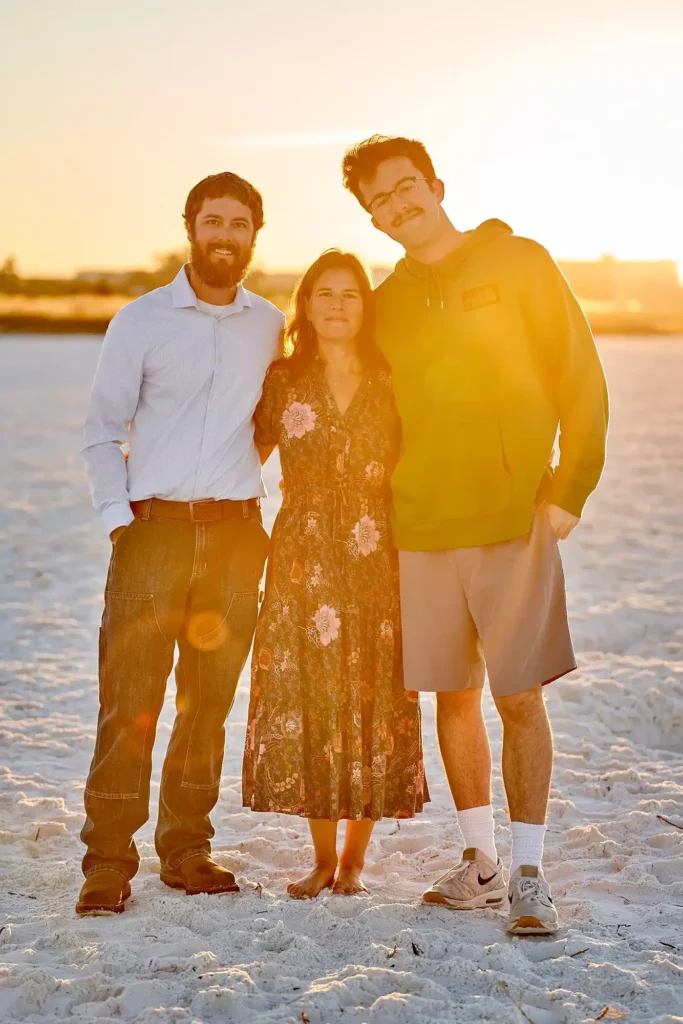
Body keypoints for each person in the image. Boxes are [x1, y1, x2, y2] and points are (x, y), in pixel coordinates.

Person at [342, 136, 609, 934]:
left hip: (508, 519)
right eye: (378, 202)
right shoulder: (384, 303)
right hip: (419, 529)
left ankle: (530, 874)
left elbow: (579, 376)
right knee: (451, 700)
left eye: (404, 189)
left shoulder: (519, 262)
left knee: (517, 697)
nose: (397, 208)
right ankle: (481, 865)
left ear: (434, 184)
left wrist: (570, 491)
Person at [77, 172, 284, 915]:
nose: (224, 235)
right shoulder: (140, 320)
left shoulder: (269, 323)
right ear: (191, 226)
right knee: (128, 700)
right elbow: (102, 429)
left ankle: (187, 848)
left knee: (206, 705)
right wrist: (119, 522)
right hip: (151, 534)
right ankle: (106, 861)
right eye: (212, 221)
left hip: (235, 539)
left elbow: (267, 423)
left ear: (254, 234)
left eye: (238, 224)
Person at [242, 249, 429, 899]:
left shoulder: (390, 376)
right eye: (323, 292)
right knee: (315, 699)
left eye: (349, 293)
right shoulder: (284, 380)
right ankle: (322, 858)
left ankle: (354, 860)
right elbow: (245, 455)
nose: (336, 304)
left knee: (373, 701)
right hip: (302, 559)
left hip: (379, 556)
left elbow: (426, 455)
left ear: (364, 304)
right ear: (306, 303)